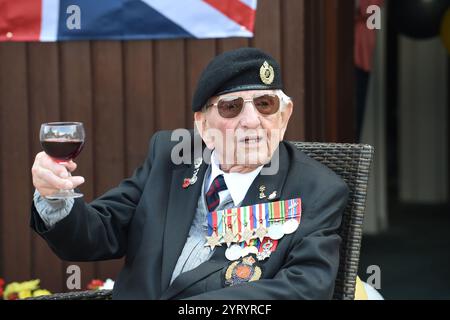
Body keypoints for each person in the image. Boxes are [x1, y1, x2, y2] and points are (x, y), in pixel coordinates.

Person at [30, 48, 349, 300]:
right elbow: (98, 234)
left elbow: (306, 289)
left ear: (284, 116)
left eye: (265, 104)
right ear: (204, 126)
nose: (252, 121)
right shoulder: (170, 158)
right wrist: (55, 197)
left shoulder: (316, 189)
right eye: (231, 107)